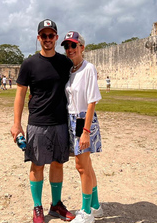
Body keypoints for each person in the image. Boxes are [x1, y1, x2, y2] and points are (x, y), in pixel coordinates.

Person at [11, 19, 75, 223]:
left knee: (58, 163)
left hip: (60, 122)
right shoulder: (29, 64)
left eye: (51, 35)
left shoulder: (65, 63)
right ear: (39, 38)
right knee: (37, 165)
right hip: (37, 122)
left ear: (56, 37)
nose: (48, 39)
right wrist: (16, 124)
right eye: (44, 35)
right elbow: (20, 95)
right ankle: (37, 207)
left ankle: (56, 204)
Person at [61, 31, 103, 223]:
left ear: (82, 47)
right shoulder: (71, 71)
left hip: (81, 120)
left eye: (73, 46)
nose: (69, 49)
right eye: (67, 46)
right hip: (71, 119)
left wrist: (85, 131)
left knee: (81, 166)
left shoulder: (88, 69)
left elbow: (92, 102)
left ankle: (86, 212)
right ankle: (95, 205)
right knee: (87, 165)